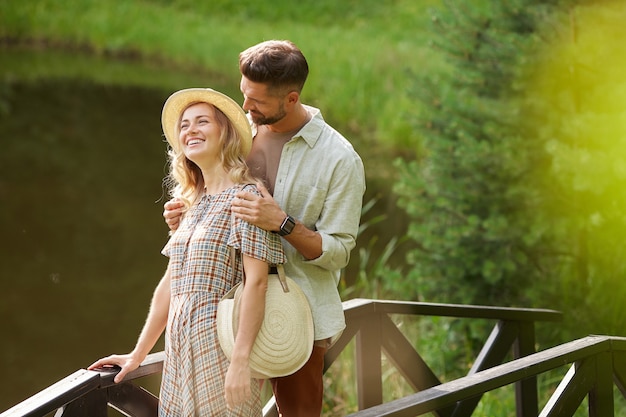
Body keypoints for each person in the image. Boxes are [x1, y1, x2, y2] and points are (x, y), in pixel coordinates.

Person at [164, 40, 366, 416]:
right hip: (221, 318)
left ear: (290, 99)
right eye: (244, 95)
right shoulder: (241, 136)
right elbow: (215, 194)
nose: (245, 108)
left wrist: (282, 223)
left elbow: (338, 252)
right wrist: (188, 216)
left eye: (256, 101)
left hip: (292, 316)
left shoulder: (339, 159)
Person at [89, 88, 285, 416]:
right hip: (179, 355)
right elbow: (171, 285)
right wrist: (137, 354)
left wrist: (240, 361)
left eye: (202, 122)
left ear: (225, 133)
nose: (190, 130)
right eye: (184, 125)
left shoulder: (246, 198)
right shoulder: (191, 205)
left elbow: (257, 283)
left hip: (221, 352)